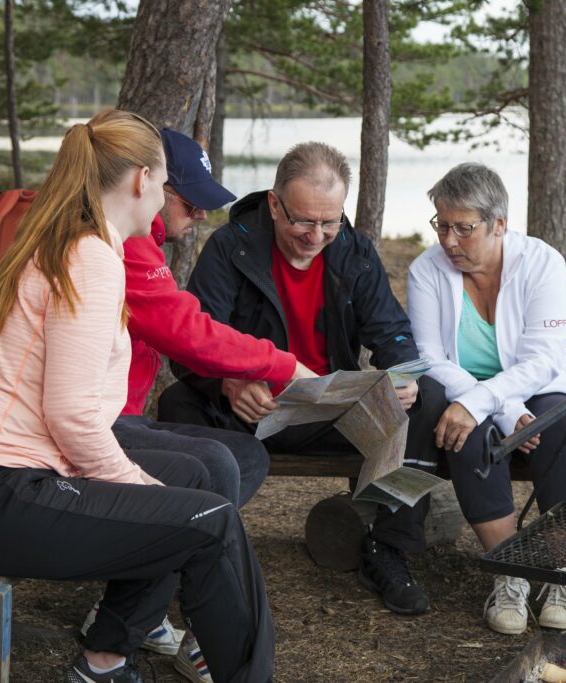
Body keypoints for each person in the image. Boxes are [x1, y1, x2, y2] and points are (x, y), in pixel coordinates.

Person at [0, 109, 274, 683]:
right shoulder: (90, 258)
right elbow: (71, 416)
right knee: (210, 521)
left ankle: (105, 662)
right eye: (162, 182)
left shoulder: (67, 244)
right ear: (139, 180)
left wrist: (147, 489)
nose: (164, 199)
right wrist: (138, 486)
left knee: (194, 485)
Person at [158, 141, 446, 616]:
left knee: (428, 397)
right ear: (274, 204)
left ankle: (387, 548)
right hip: (249, 415)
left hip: (331, 414)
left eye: (328, 222)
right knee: (177, 404)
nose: (316, 236)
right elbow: (190, 345)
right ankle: (193, 546)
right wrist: (225, 384)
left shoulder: (355, 251)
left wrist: (402, 372)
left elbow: (392, 332)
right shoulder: (231, 247)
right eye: (303, 221)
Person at [81, 128, 314, 681]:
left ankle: (142, 607)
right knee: (206, 471)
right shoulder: (122, 246)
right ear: (149, 185)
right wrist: (280, 364)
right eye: (191, 200)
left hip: (117, 414)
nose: (202, 216)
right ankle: (131, 629)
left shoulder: (136, 242)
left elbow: (182, 326)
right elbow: (186, 331)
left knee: (240, 459)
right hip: (93, 422)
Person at [406, 163, 566, 635]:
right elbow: (429, 358)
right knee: (464, 435)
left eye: (463, 228)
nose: (449, 240)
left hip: (537, 384)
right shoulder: (426, 270)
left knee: (560, 422)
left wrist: (497, 400)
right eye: (441, 225)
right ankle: (511, 571)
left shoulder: (542, 262)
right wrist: (497, 408)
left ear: (498, 225)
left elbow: (545, 359)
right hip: (465, 389)